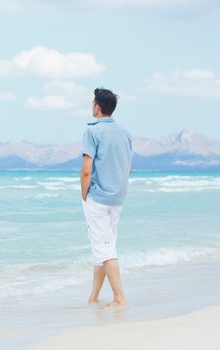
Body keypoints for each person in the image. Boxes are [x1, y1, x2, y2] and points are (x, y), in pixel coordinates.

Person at [80, 87, 133, 308]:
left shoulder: (92, 131)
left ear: (98, 107)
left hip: (99, 197)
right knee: (104, 246)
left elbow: (86, 170)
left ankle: (119, 298)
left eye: (93, 103)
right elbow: (128, 167)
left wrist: (85, 195)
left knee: (105, 248)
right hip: (118, 197)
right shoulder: (125, 133)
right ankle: (93, 297)